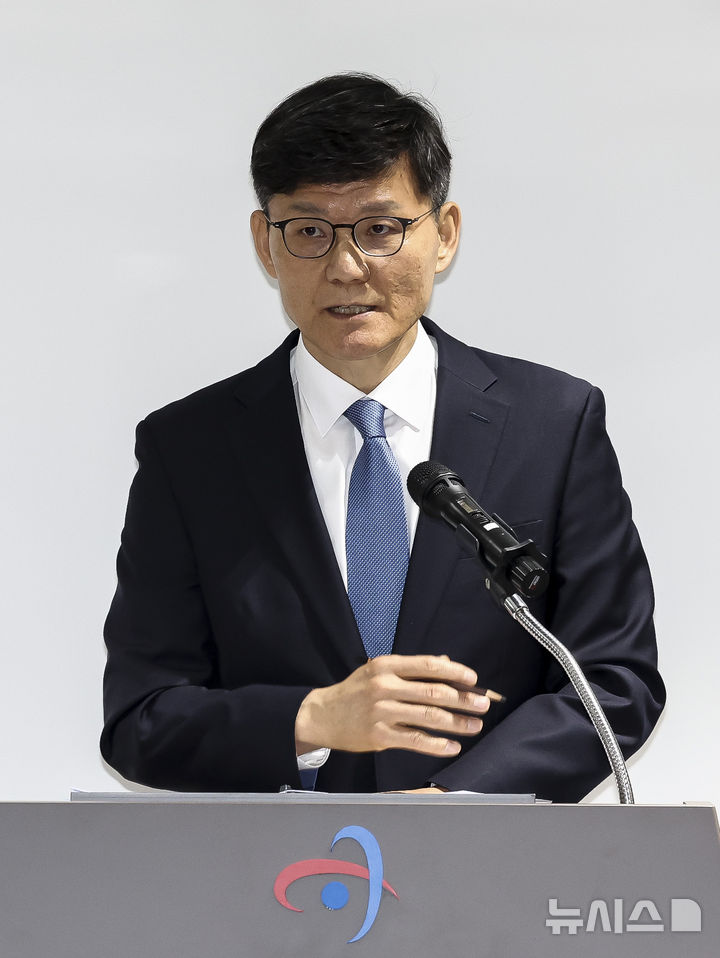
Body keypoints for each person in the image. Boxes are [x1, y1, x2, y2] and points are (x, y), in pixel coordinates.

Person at [101, 73, 665, 800]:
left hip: (489, 856)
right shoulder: (189, 449)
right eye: (309, 231)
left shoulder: (553, 424)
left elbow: (613, 679)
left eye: (380, 228)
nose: (345, 268)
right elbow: (141, 718)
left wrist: (458, 804)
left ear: (444, 234)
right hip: (278, 864)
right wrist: (310, 720)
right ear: (266, 244)